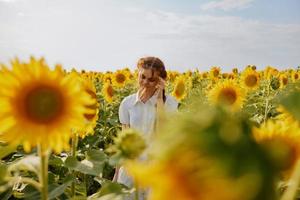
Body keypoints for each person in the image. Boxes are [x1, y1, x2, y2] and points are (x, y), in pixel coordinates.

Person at [112, 56, 178, 200]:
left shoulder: (171, 104)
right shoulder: (127, 103)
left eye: (151, 79)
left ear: (161, 81)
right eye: (142, 77)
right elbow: (124, 142)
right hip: (131, 169)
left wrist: (160, 100)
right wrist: (116, 174)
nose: (145, 82)